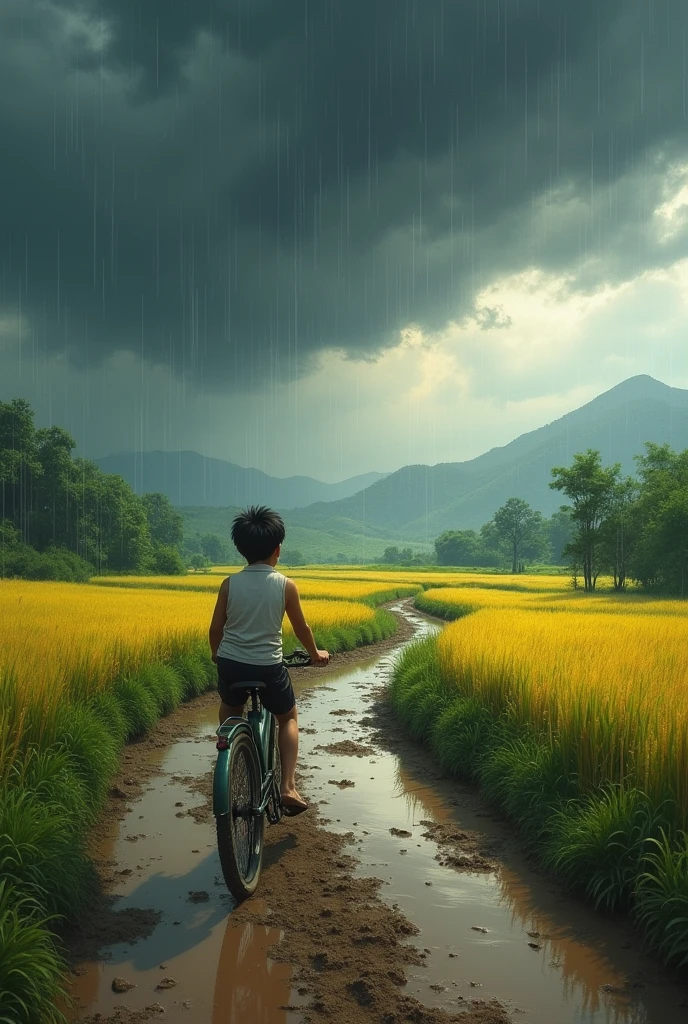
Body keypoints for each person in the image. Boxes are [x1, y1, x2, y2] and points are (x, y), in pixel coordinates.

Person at [208, 505, 329, 816]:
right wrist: (315, 654)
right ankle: (288, 786)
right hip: (268, 667)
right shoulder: (285, 585)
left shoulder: (229, 583)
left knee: (232, 705)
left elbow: (216, 629)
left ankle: (231, 749)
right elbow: (302, 628)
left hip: (231, 663)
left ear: (241, 550)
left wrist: (216, 655)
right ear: (278, 549)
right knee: (287, 717)